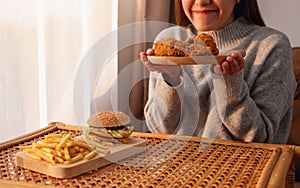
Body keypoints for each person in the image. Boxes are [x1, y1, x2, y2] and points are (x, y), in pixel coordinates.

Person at [140, 0, 296, 144]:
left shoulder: (271, 45)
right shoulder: (170, 39)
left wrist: (231, 85)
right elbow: (159, 129)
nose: (202, 2)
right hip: (176, 166)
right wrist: (171, 79)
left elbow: (258, 138)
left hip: (241, 170)